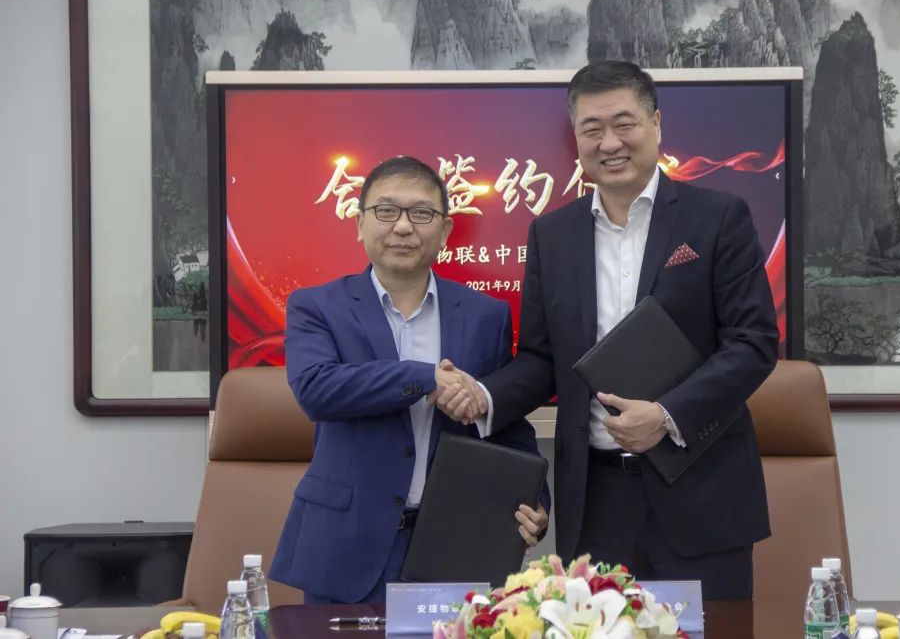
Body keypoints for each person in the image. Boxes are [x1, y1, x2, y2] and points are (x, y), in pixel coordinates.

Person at [436, 61, 778, 599]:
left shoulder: (717, 218)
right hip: (596, 500)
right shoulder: (553, 234)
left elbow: (753, 343)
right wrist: (482, 395)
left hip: (701, 491)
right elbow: (542, 359)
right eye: (592, 129)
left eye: (625, 123)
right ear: (575, 138)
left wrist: (666, 416)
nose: (610, 143)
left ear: (656, 124)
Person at [270, 156, 550, 604]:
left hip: (453, 542)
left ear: (445, 230)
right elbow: (317, 390)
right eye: (386, 211)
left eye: (421, 213)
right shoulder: (317, 306)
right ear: (359, 224)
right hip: (346, 545)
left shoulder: (486, 315)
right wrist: (425, 377)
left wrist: (535, 500)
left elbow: (504, 419)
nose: (403, 227)